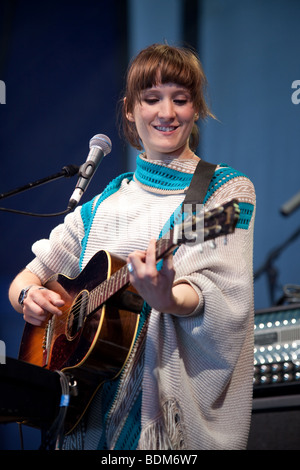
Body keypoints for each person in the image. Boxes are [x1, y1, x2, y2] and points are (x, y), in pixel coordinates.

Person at [8, 43, 256, 450]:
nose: (167, 113)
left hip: (157, 423)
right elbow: (28, 277)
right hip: (81, 415)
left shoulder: (221, 190)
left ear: (195, 108)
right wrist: (27, 296)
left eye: (180, 99)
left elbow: (222, 297)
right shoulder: (107, 199)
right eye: (151, 99)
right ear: (129, 109)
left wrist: (167, 297)